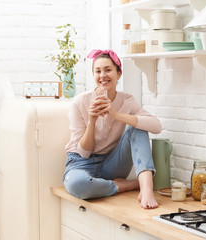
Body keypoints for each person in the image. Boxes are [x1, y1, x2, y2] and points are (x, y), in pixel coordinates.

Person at [63, 49, 162, 209]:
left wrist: (116, 114)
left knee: (139, 127)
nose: (103, 75)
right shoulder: (80, 102)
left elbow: (156, 126)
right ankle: (125, 186)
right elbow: (84, 152)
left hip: (111, 163)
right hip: (81, 163)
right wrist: (92, 121)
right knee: (77, 185)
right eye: (98, 71)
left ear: (118, 73)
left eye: (108, 70)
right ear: (93, 75)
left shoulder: (126, 100)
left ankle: (146, 189)